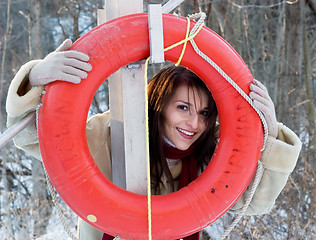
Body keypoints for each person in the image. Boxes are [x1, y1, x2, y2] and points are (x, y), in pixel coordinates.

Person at [6, 39, 302, 240]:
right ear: (159, 106)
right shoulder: (109, 134)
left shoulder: (211, 155)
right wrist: (34, 80)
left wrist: (270, 134)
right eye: (182, 108)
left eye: (204, 112)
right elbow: (35, 140)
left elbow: (253, 202)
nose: (194, 123)